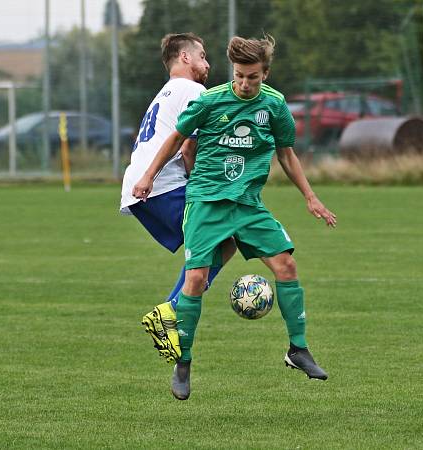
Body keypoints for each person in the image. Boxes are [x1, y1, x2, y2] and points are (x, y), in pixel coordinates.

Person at [134, 34, 337, 400]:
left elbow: (287, 155)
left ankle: (298, 350)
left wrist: (311, 197)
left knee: (286, 267)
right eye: (240, 75)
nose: (245, 83)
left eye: (253, 77)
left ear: (266, 73)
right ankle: (184, 363)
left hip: (248, 205)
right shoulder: (210, 100)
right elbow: (179, 140)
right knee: (195, 280)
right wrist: (148, 176)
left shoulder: (274, 106)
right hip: (207, 204)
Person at [119, 33, 237, 363]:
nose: (208, 63)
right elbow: (188, 145)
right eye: (202, 56)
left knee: (223, 239)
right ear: (185, 58)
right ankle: (171, 310)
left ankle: (172, 310)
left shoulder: (167, 92)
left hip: (144, 188)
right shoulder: (193, 90)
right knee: (229, 232)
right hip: (161, 186)